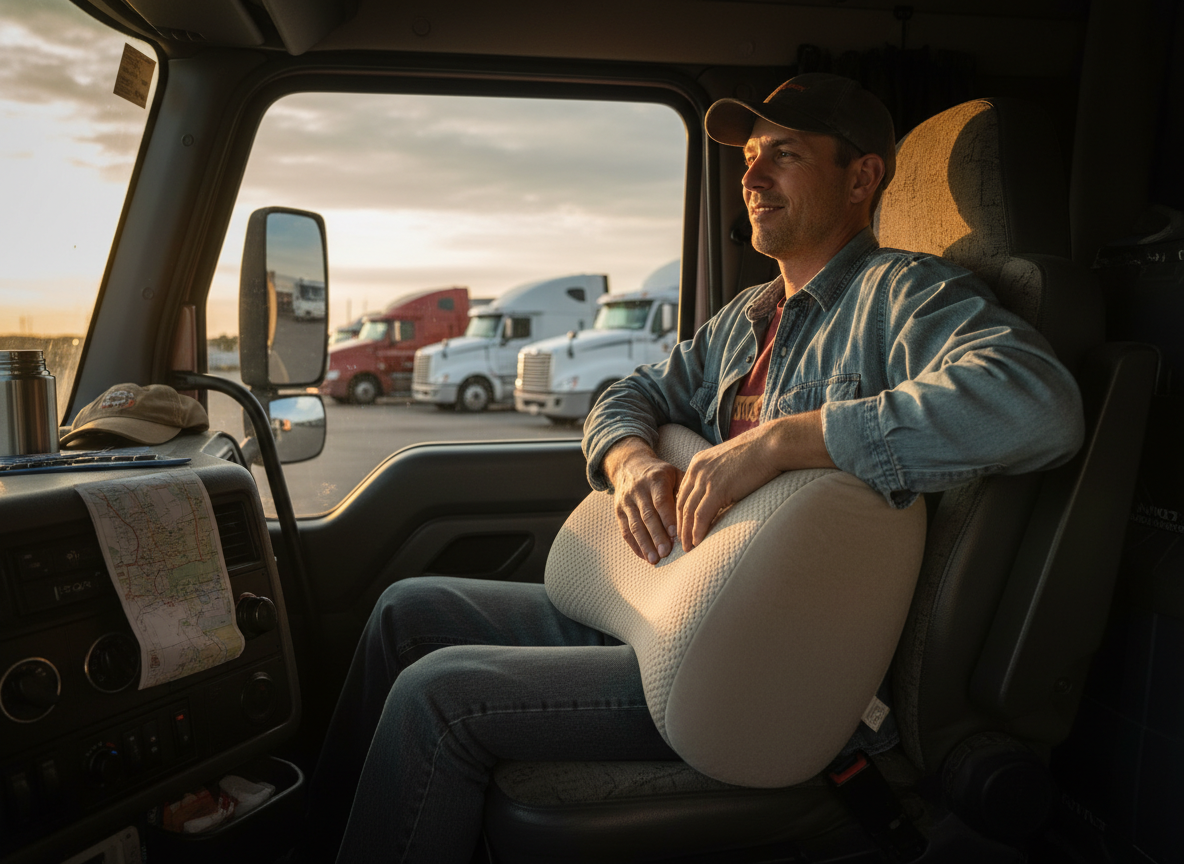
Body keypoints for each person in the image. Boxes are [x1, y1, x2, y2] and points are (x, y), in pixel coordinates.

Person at [302, 74, 1084, 863]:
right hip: (678, 602)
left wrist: (781, 442)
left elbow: (1037, 404)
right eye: (749, 158)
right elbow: (626, 395)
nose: (752, 178)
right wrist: (631, 460)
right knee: (405, 610)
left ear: (861, 179)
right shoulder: (745, 318)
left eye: (784, 155)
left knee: (437, 696)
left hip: (769, 664)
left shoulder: (902, 295)